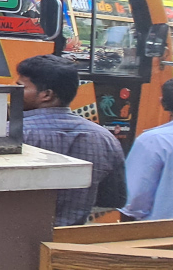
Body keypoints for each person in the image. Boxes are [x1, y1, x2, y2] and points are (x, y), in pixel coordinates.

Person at [17, 54, 126, 226]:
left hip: (16, 236)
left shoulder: (11, 134)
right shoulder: (104, 138)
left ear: (46, 95)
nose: (13, 92)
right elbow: (113, 199)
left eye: (20, 87)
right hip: (70, 238)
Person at [120, 77, 173, 221]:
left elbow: (133, 201)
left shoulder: (154, 140)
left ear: (163, 103)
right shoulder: (155, 140)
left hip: (166, 232)